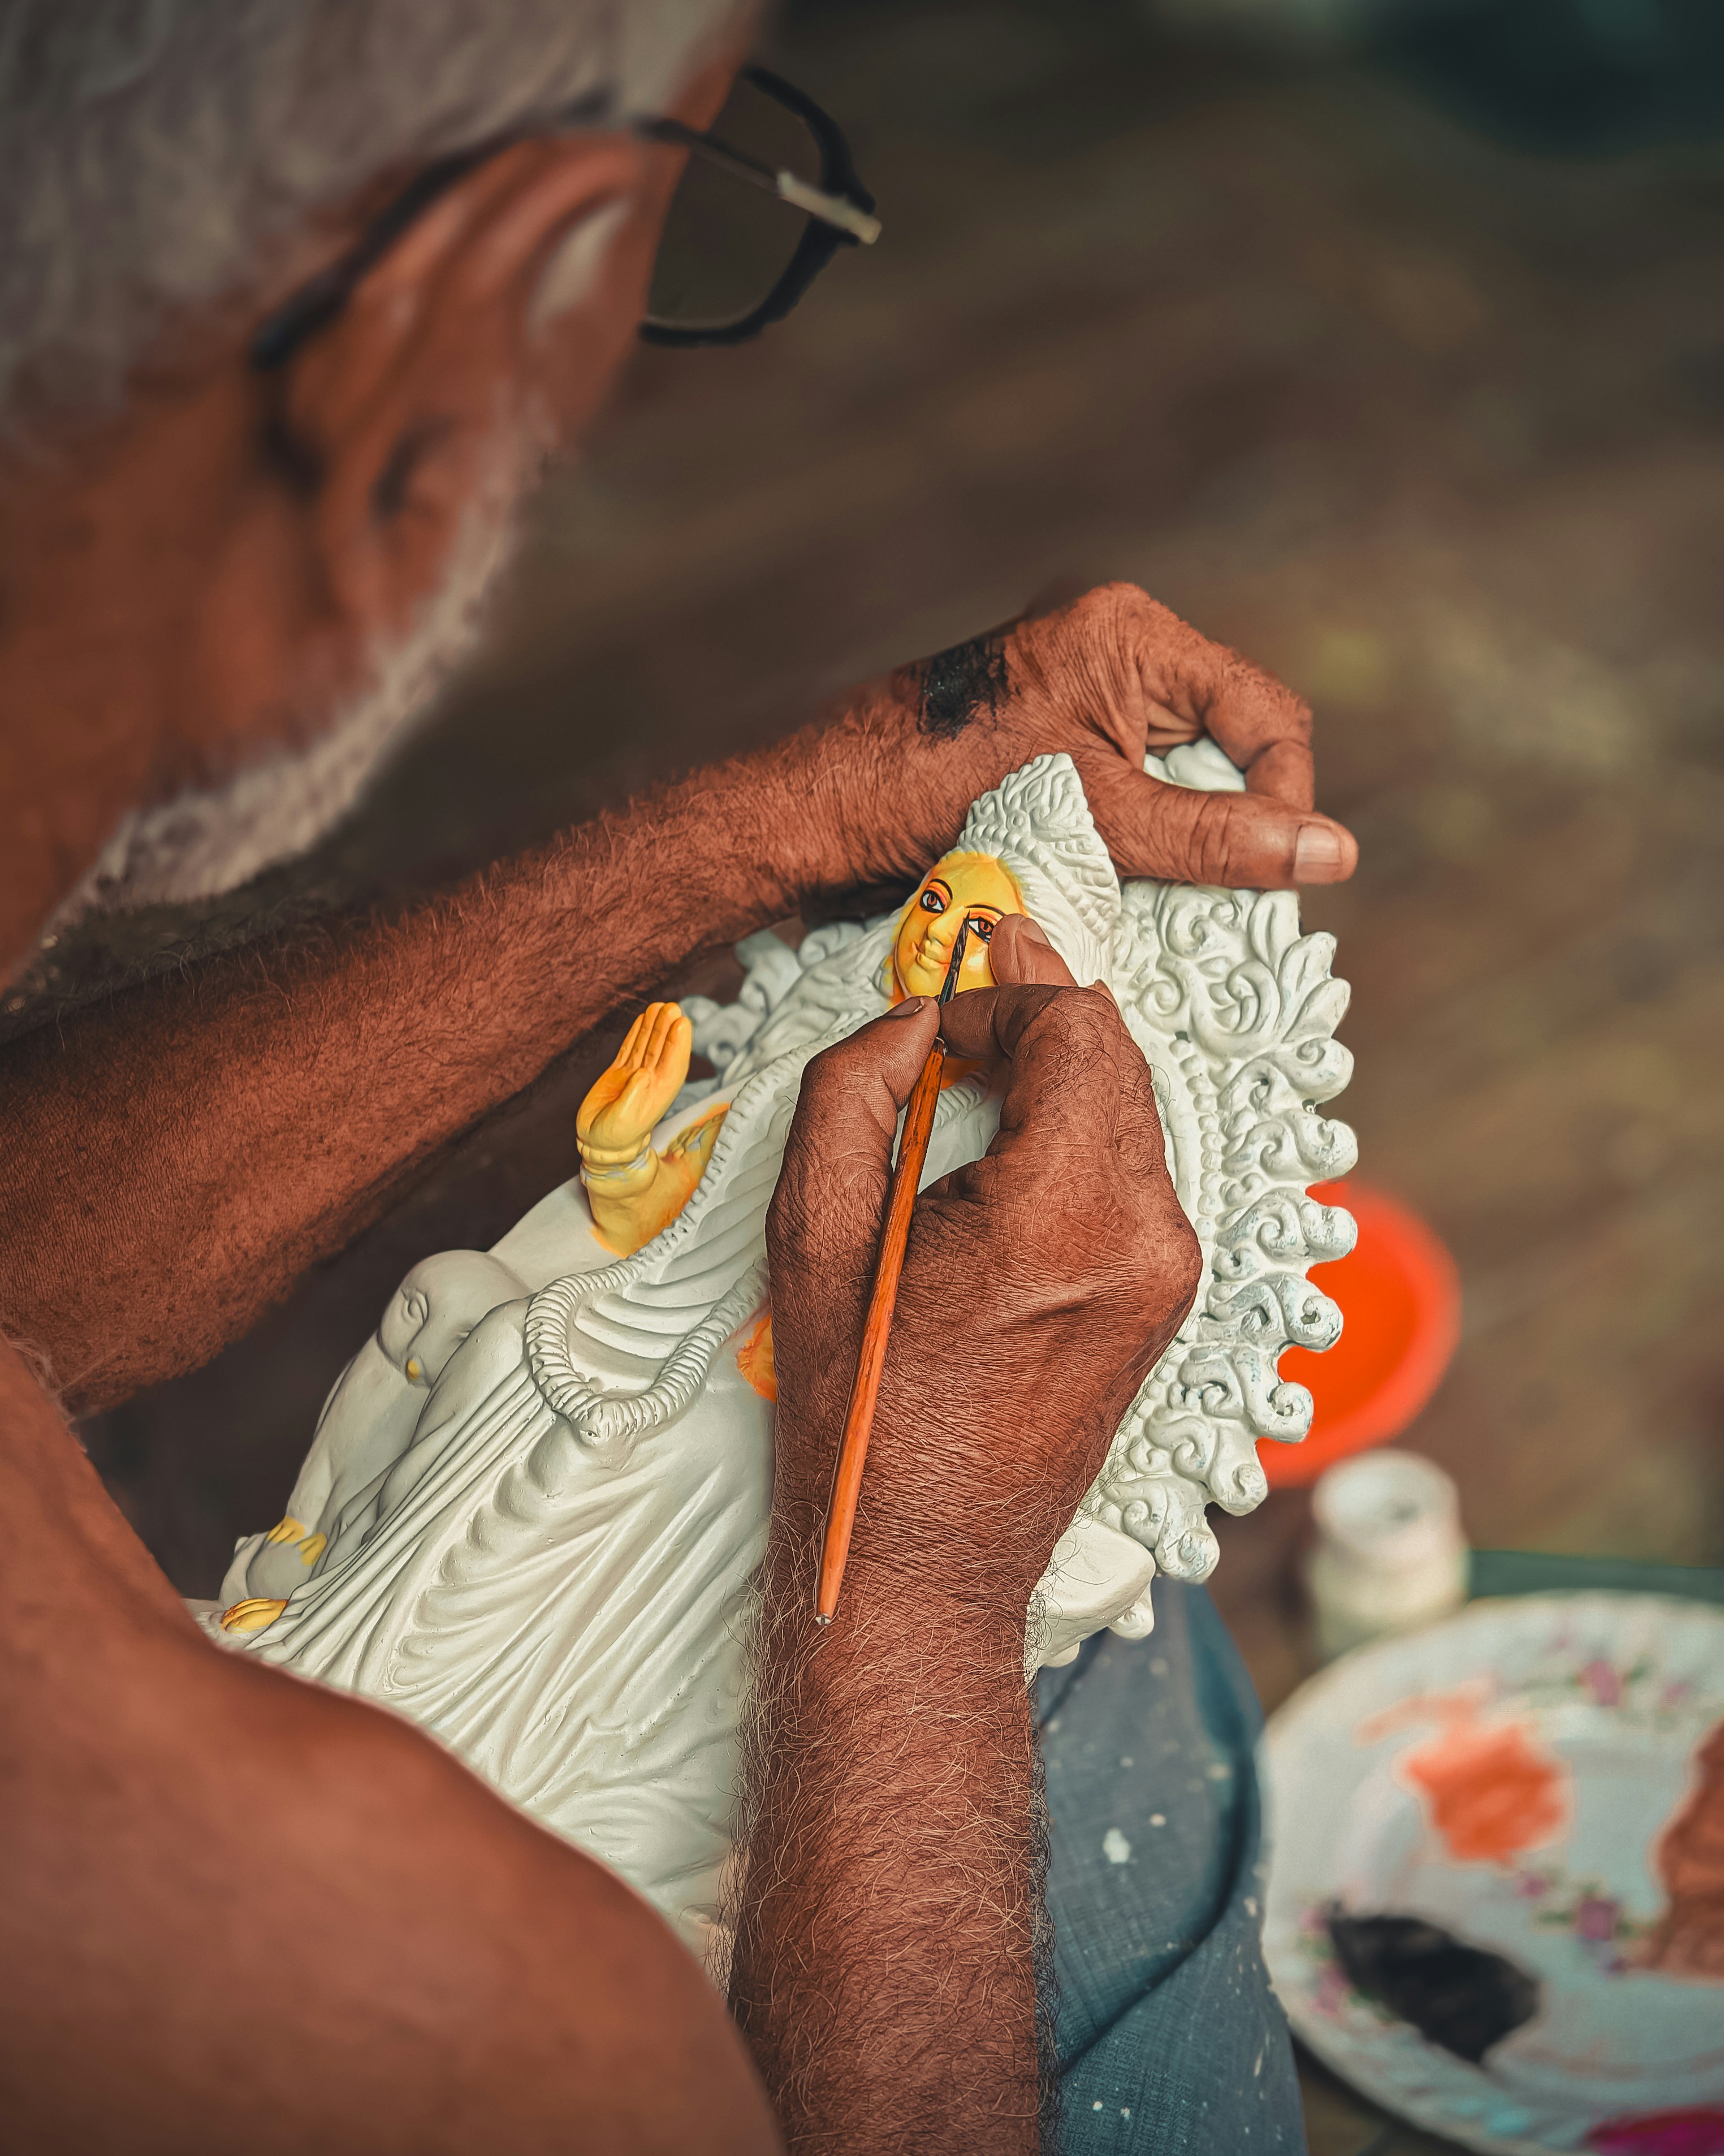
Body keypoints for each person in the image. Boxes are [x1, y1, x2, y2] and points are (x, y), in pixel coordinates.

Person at [0, 3, 1359, 2150]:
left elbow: (21, 1264)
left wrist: (781, 818)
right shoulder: (418, 1996)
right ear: (403, 386)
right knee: (1111, 1685)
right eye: (686, 223)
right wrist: (896, 1577)